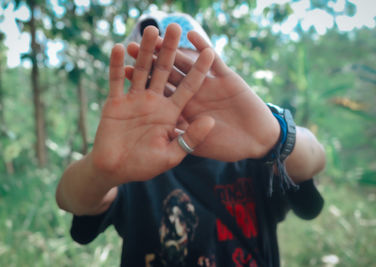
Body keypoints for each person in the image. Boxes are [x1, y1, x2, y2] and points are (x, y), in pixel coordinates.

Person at [56, 12, 326, 267]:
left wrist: (275, 137)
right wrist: (100, 170)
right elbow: (72, 199)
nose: (182, 99)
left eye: (192, 80)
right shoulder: (135, 166)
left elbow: (314, 159)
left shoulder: (252, 154)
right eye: (163, 83)